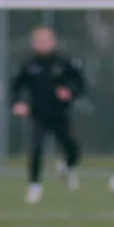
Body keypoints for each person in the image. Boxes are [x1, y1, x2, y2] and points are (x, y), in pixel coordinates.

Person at [11, 26, 87, 204]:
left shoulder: (63, 63)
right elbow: (16, 87)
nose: (43, 45)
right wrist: (18, 103)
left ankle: (66, 168)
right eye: (39, 41)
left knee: (73, 149)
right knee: (36, 148)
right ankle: (34, 186)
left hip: (60, 114)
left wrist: (70, 92)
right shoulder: (29, 65)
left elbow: (81, 85)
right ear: (33, 44)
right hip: (38, 115)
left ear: (53, 43)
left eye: (46, 41)